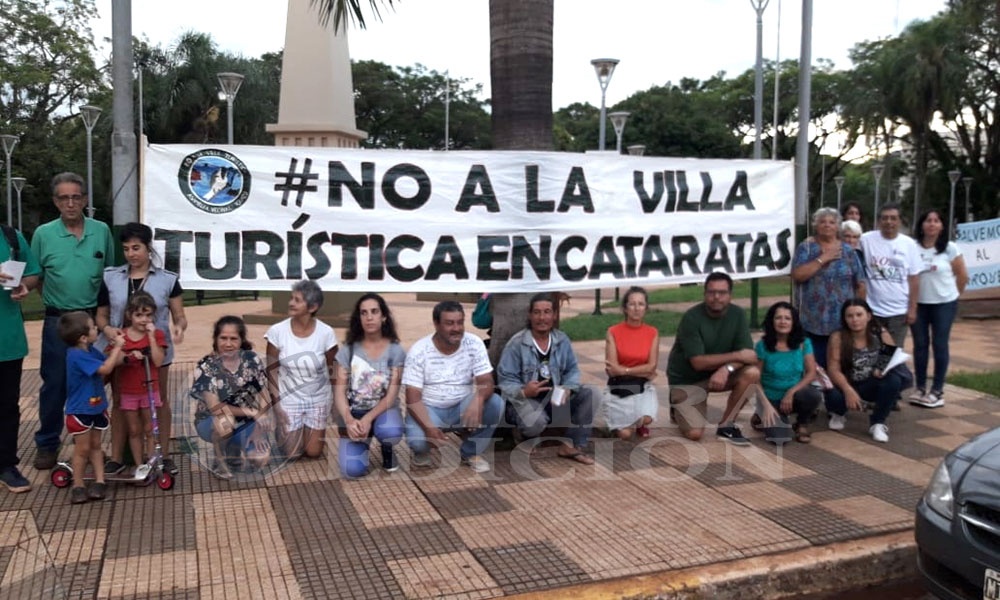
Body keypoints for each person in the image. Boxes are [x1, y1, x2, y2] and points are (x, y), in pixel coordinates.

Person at [29, 172, 115, 470]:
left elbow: (109, 274)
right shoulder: (43, 234)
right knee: (55, 384)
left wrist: (103, 321)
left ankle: (90, 447)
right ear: (55, 201)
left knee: (93, 384)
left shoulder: (101, 231)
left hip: (92, 321)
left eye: (76, 197)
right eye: (63, 198)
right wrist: (55, 302)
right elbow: (36, 276)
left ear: (85, 199)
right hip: (59, 321)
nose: (70, 203)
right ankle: (47, 444)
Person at [97, 222, 187, 476]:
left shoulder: (168, 279)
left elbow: (179, 315)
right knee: (120, 401)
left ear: (148, 248)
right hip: (121, 349)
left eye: (136, 248)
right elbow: (101, 315)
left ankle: (163, 456)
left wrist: (179, 328)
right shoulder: (111, 277)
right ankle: (117, 457)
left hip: (154, 351)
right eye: (126, 249)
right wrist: (108, 331)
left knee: (159, 400)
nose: (131, 254)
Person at [402, 300, 503, 473]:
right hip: (429, 408)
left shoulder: (474, 343)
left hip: (461, 406)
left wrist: (478, 400)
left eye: (459, 322)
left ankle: (471, 452)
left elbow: (486, 380)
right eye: (449, 323)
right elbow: (412, 397)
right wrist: (429, 428)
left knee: (495, 403)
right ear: (436, 324)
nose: (456, 328)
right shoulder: (419, 350)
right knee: (418, 441)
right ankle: (421, 451)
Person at [497, 293, 596, 463]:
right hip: (526, 400)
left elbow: (572, 370)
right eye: (537, 312)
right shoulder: (517, 343)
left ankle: (572, 445)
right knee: (535, 422)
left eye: (547, 312)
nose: (542, 318)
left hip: (555, 400)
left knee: (592, 393)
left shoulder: (561, 340)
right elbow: (505, 379)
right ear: (530, 315)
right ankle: (523, 436)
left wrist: (568, 387)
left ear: (554, 315)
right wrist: (524, 391)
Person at [666, 272, 759, 445]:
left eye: (722, 292)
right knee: (694, 433)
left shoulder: (738, 314)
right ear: (704, 294)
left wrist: (727, 369)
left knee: (752, 373)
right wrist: (736, 356)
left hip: (719, 375)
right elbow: (698, 362)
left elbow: (749, 355)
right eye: (711, 292)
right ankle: (677, 406)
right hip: (688, 380)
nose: (716, 297)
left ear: (730, 295)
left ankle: (727, 425)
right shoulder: (691, 318)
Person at [191, 316, 275, 479]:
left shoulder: (251, 360)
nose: (228, 344)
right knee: (225, 422)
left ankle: (234, 449)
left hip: (244, 420)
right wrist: (252, 412)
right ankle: (219, 459)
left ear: (241, 340)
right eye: (223, 338)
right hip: (211, 420)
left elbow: (264, 395)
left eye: (233, 339)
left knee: (260, 458)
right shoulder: (206, 366)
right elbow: (216, 408)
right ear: (215, 339)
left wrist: (259, 427)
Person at [333, 293, 405, 478]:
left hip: (384, 411)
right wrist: (349, 420)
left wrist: (368, 418)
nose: (369, 317)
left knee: (390, 431)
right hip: (356, 412)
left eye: (374, 312)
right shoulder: (348, 351)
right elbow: (339, 392)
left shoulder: (395, 351)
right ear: (359, 318)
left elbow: (391, 396)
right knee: (351, 471)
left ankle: (387, 448)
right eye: (363, 313)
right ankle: (362, 442)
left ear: (384, 316)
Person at [265, 280, 338, 460]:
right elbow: (271, 372)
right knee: (292, 454)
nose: (291, 303)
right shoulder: (277, 331)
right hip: (289, 398)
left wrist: (337, 403)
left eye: (297, 300)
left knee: (313, 453)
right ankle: (284, 431)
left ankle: (310, 434)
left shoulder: (326, 333)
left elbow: (334, 370)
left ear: (313, 307)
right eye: (291, 298)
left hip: (318, 398)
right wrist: (277, 407)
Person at [59, 311, 125, 504]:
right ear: (83, 337)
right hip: (80, 410)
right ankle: (78, 485)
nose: (97, 328)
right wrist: (117, 348)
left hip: (96, 407)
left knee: (96, 446)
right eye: (93, 327)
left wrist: (124, 353)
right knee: (82, 449)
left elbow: (105, 359)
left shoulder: (89, 350)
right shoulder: (77, 355)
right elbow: (105, 368)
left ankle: (100, 480)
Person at [791, 208, 866, 368]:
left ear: (837, 226)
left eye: (832, 222)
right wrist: (823, 259)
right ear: (815, 225)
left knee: (840, 364)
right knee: (813, 366)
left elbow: (860, 282)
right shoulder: (806, 248)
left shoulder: (847, 251)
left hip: (841, 320)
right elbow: (797, 275)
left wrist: (859, 312)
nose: (827, 225)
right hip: (811, 320)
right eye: (822, 222)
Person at [909, 209, 969, 408]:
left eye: (936, 221)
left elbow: (962, 276)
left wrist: (954, 295)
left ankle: (937, 390)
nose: (932, 224)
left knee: (939, 344)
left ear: (942, 226)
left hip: (944, 304)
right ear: (921, 225)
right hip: (919, 304)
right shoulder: (912, 247)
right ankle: (920, 387)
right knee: (920, 345)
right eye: (928, 220)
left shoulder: (950, 248)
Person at [824, 299, 903, 443]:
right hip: (845, 383)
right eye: (850, 316)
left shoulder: (879, 333)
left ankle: (878, 422)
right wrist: (848, 390)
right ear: (844, 319)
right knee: (831, 392)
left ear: (868, 316)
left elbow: (891, 356)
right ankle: (838, 413)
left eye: (859, 315)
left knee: (894, 380)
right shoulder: (838, 337)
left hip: (869, 383)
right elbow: (833, 369)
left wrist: (882, 369)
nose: (855, 320)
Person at [0, 226, 40, 493]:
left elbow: (33, 272)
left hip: (8, 339)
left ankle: (6, 465)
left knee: (7, 406)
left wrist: (25, 285)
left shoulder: (11, 237)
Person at [113, 292, 167, 480]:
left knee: (150, 428)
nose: (144, 319)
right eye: (139, 315)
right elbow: (113, 359)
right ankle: (139, 465)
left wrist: (151, 337)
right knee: (134, 429)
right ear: (130, 315)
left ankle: (151, 463)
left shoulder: (157, 335)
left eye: (148, 315)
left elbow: (158, 361)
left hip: (149, 390)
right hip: (129, 391)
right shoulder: (122, 336)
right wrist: (127, 356)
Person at [752, 302, 822, 444]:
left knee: (812, 395)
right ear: (771, 321)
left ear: (793, 322)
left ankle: (802, 424)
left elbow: (811, 373)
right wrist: (766, 405)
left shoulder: (804, 343)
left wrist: (791, 392)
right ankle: (760, 415)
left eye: (787, 318)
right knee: (780, 439)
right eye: (778, 318)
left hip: (794, 395)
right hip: (770, 398)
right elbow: (755, 379)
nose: (783, 322)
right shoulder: (762, 346)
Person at [859, 203, 923, 348]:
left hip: (899, 312)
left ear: (900, 221)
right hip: (872, 310)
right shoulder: (866, 240)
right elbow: (846, 240)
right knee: (871, 349)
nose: (889, 222)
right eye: (885, 218)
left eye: (893, 218)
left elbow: (914, 278)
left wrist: (912, 308)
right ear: (879, 221)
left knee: (894, 352)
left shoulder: (909, 244)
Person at [602, 286, 659, 440]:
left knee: (647, 419)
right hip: (620, 387)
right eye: (632, 304)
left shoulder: (652, 332)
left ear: (646, 308)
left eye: (641, 304)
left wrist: (624, 370)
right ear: (625, 308)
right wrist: (642, 371)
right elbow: (612, 369)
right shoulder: (613, 331)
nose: (636, 308)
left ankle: (638, 421)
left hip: (642, 386)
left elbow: (652, 367)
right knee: (625, 435)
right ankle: (621, 421)